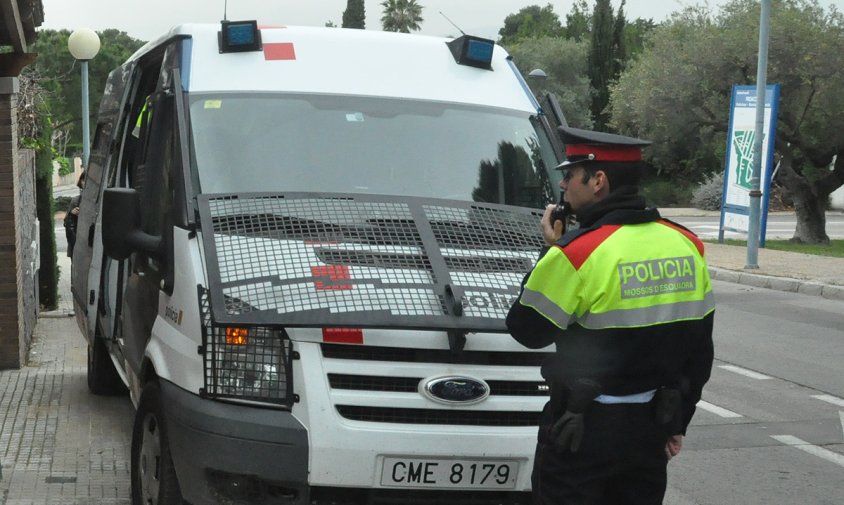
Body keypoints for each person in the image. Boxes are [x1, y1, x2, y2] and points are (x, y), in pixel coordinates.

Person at [506, 126, 715, 505]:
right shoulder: (687, 244)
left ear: (598, 181)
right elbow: (699, 352)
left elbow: (526, 329)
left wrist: (550, 251)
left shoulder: (576, 253)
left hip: (581, 431)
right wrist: (677, 422)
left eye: (570, 176)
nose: (564, 186)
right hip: (651, 430)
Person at [64, 171, 85, 258]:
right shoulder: (76, 201)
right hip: (76, 243)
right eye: (83, 180)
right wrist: (72, 214)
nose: (85, 182)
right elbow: (66, 222)